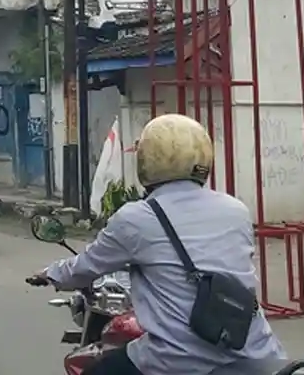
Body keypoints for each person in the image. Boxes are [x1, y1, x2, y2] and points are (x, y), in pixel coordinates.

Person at [28, 114, 287, 375]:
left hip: (178, 359)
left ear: (147, 160)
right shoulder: (236, 210)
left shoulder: (137, 218)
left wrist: (50, 274)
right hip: (258, 356)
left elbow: (85, 267)